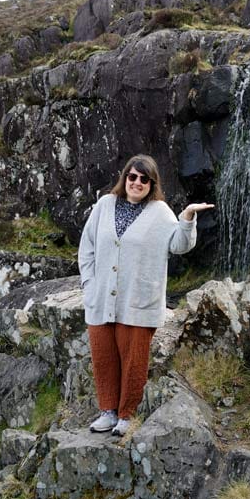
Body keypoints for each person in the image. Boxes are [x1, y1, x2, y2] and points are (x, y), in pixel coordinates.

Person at [77, 154, 214, 436]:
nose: (136, 183)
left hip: (138, 301)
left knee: (133, 360)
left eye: (144, 179)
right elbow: (86, 247)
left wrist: (187, 218)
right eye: (132, 177)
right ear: (124, 177)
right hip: (101, 298)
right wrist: (89, 285)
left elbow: (179, 245)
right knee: (103, 357)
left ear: (152, 185)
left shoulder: (160, 212)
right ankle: (107, 411)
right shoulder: (105, 206)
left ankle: (127, 414)